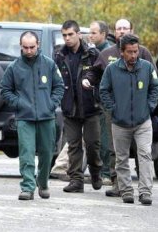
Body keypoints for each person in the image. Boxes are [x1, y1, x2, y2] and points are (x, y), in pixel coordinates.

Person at [90, 18, 156, 197]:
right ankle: (123, 188)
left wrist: (149, 106)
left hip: (142, 119)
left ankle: (145, 191)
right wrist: (112, 108)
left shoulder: (146, 62)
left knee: (144, 154)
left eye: (136, 52)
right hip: (119, 118)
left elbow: (155, 86)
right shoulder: (109, 62)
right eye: (118, 28)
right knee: (119, 156)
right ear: (122, 52)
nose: (134, 55)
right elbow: (101, 86)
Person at [1, 31, 64, 200]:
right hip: (24, 118)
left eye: (32, 47)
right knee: (26, 153)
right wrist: (18, 103)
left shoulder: (49, 64)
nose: (29, 51)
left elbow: (59, 87)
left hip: (46, 117)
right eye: (25, 48)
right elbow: (5, 90)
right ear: (21, 47)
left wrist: (51, 104)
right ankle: (28, 186)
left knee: (46, 152)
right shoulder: (14, 67)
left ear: (38, 45)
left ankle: (42, 183)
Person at [54, 20, 102, 193]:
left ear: (78, 34)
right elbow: (56, 79)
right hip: (70, 108)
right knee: (73, 145)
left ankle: (96, 171)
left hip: (90, 107)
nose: (67, 38)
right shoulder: (59, 55)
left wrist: (92, 83)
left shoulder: (92, 53)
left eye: (70, 34)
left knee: (92, 145)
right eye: (64, 35)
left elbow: (100, 75)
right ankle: (76, 180)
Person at [89, 20, 112, 185]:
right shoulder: (92, 52)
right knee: (93, 140)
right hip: (93, 102)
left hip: (106, 103)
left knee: (105, 139)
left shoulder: (109, 53)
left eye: (93, 33)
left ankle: (106, 173)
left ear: (103, 34)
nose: (90, 35)